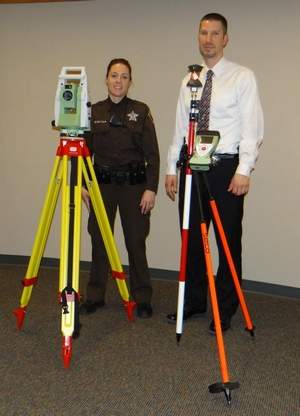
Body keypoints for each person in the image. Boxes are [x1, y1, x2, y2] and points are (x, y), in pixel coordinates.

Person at [165, 13, 263, 332]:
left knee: (226, 240)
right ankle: (194, 302)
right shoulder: (189, 79)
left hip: (225, 170)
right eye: (203, 33)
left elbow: (252, 127)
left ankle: (224, 310)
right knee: (192, 238)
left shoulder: (242, 76)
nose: (208, 38)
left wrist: (244, 169)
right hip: (192, 167)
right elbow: (181, 126)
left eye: (214, 33)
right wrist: (171, 168)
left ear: (225, 39)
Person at [81, 58, 160, 319]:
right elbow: (84, 153)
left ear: (130, 81)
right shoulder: (94, 111)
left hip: (133, 187)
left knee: (136, 241)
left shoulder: (141, 110)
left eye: (124, 76)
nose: (118, 81)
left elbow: (152, 154)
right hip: (101, 186)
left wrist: (151, 188)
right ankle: (95, 295)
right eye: (114, 75)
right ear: (106, 79)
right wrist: (82, 185)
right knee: (99, 239)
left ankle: (143, 297)